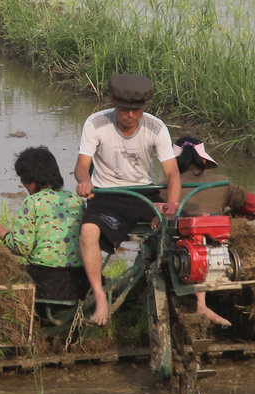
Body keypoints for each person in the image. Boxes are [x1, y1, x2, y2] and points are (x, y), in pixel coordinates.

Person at [74, 73, 182, 326]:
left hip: (143, 196)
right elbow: (81, 165)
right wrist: (84, 181)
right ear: (113, 102)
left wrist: (171, 208)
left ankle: (193, 299)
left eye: (137, 110)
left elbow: (172, 173)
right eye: (124, 110)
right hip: (107, 196)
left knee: (188, 230)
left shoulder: (156, 127)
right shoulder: (95, 123)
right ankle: (100, 297)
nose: (131, 116)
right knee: (88, 231)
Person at [173, 135, 255, 326]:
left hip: (181, 252)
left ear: (173, 162)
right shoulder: (222, 184)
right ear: (204, 160)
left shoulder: (165, 188)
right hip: (217, 246)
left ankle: (200, 304)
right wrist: (229, 219)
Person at [0, 146, 89, 301]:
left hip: (45, 283)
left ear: (31, 179)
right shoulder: (75, 200)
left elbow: (22, 248)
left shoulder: (33, 202)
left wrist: (1, 232)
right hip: (80, 282)